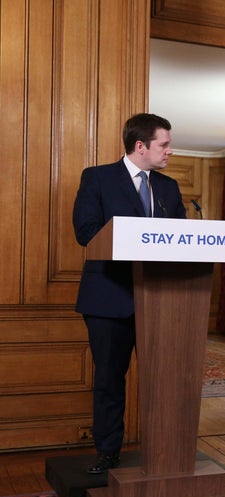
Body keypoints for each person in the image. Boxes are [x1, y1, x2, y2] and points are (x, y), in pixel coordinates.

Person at [72, 113, 187, 474]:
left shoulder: (168, 188)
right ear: (141, 146)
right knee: (109, 380)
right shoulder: (98, 178)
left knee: (165, 381)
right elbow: (87, 231)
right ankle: (107, 453)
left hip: (159, 300)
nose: (170, 150)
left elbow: (181, 240)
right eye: (164, 144)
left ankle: (167, 451)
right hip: (109, 298)